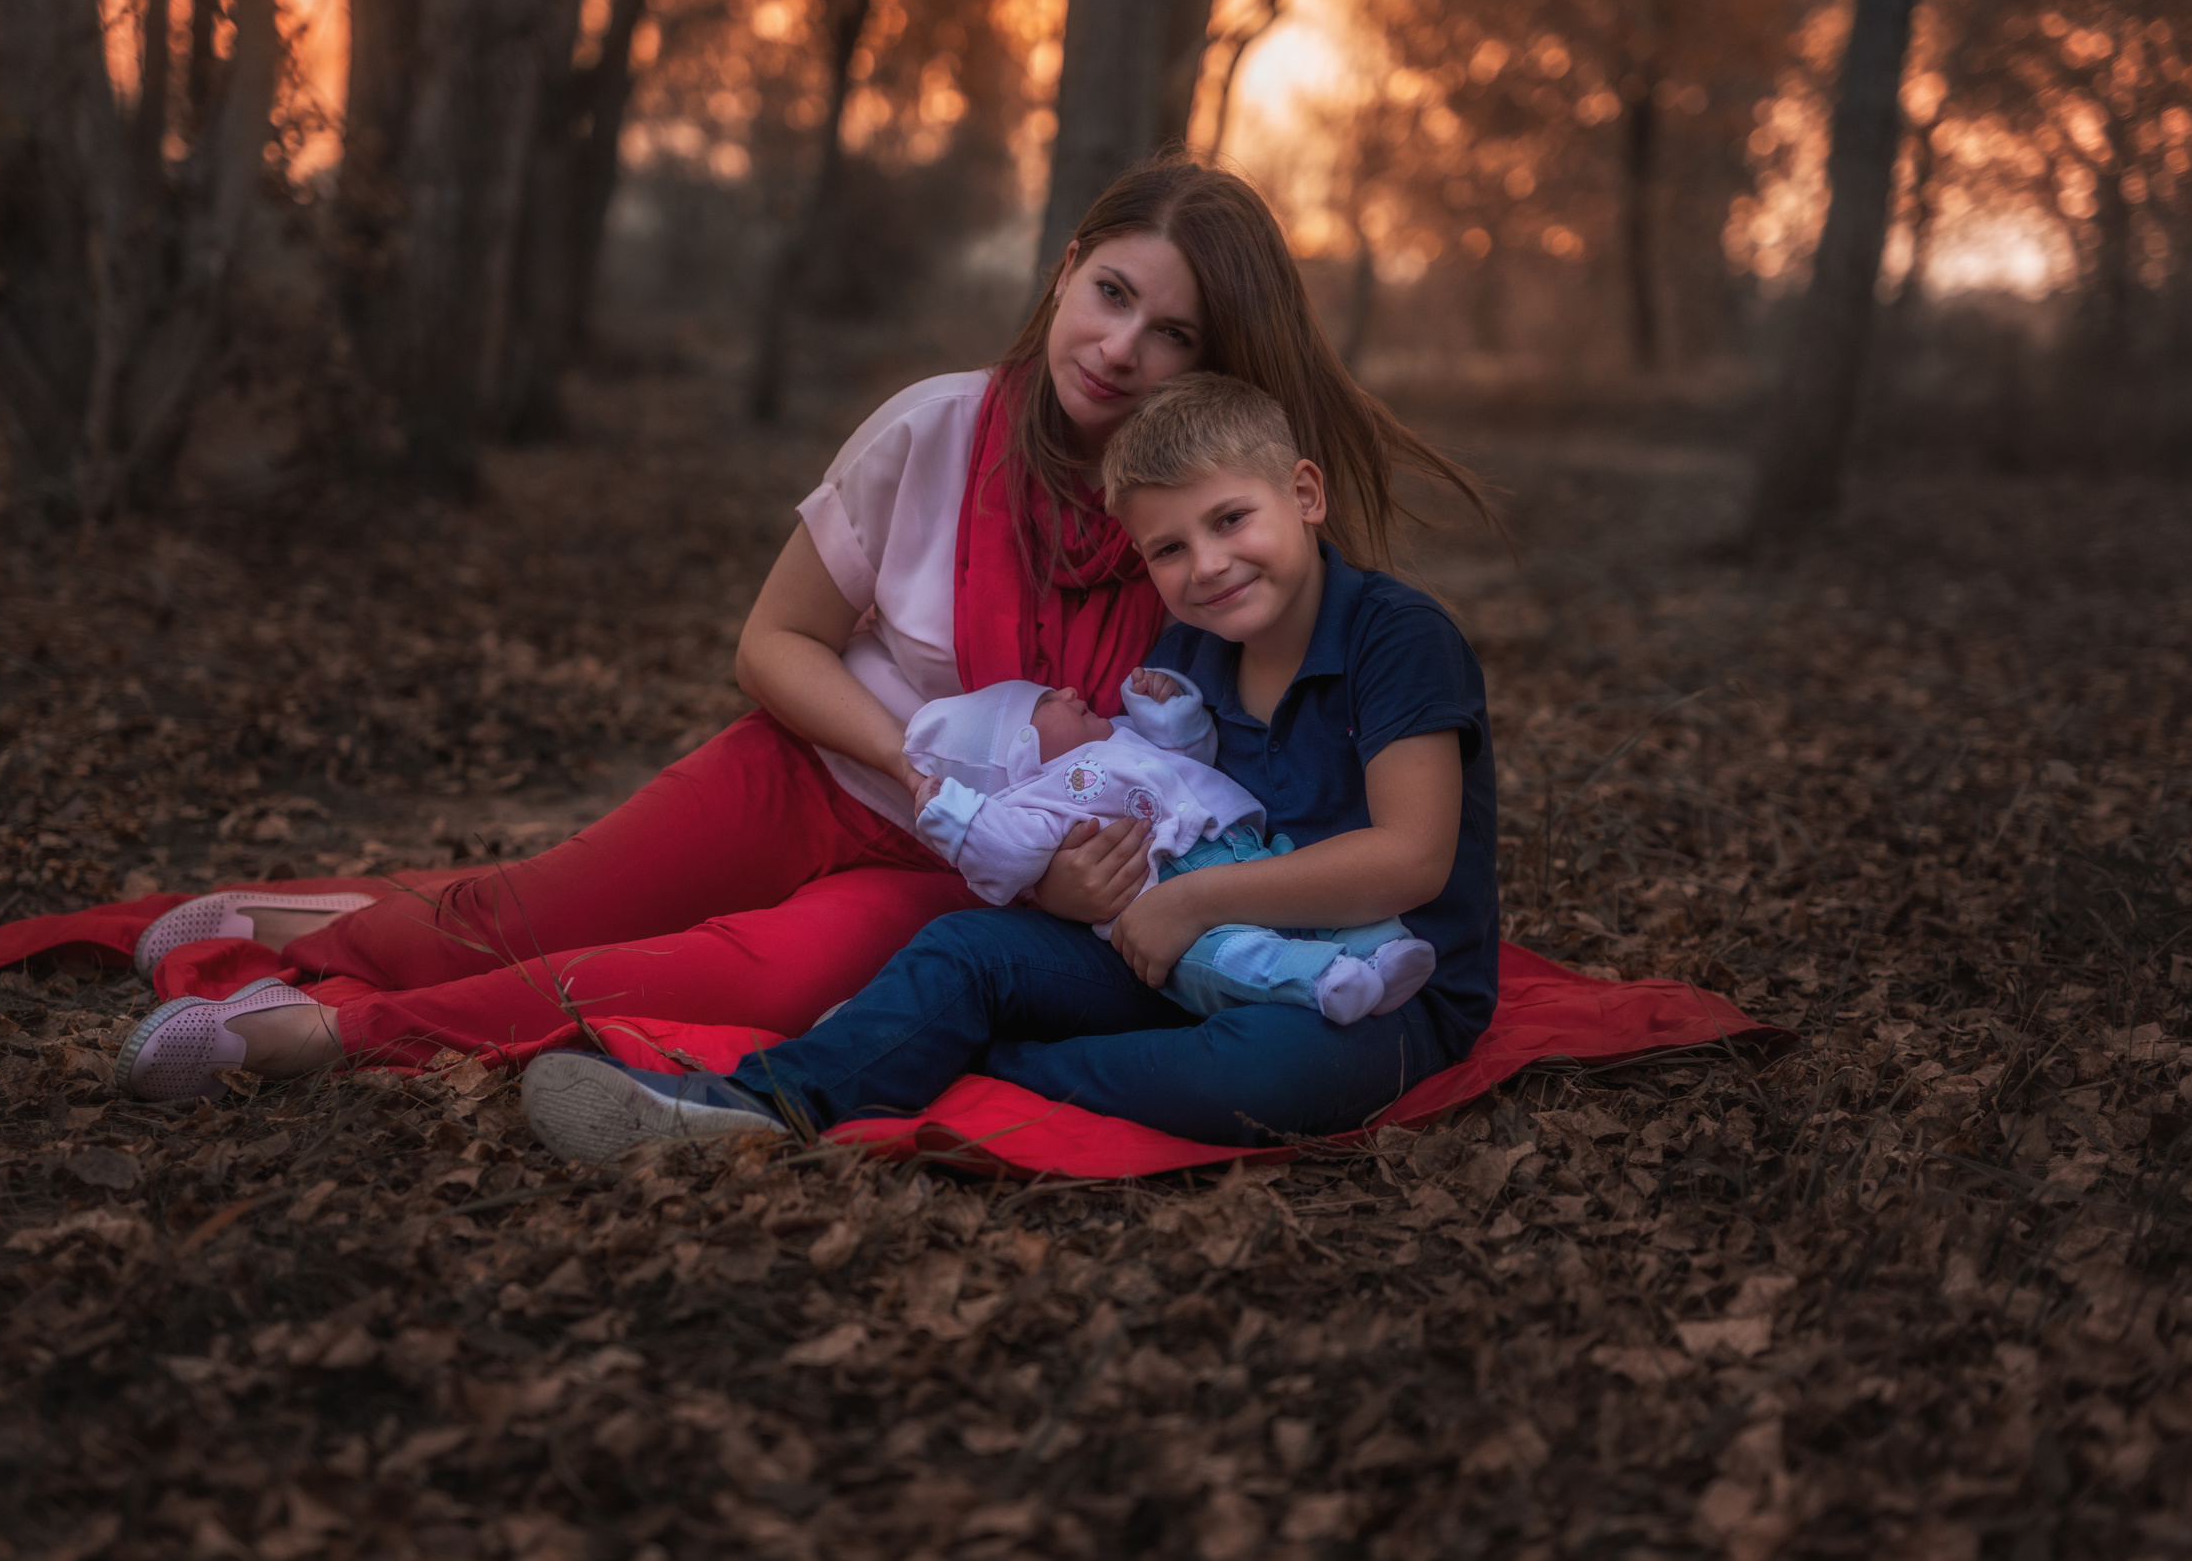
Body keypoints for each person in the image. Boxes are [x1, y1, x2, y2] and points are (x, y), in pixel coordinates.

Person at [111, 158, 1493, 1104]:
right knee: (518, 913)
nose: (1123, 349)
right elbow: (773, 643)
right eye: (1112, 294)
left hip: (965, 877)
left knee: (695, 980)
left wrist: (1099, 885)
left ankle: (317, 1030)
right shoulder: (935, 427)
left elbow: (1227, 778)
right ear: (1067, 272)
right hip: (822, 769)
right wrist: (921, 770)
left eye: (1176, 335)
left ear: (1222, 368)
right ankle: (309, 920)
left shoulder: (1208, 543)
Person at [519, 371, 1499, 1159]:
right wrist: (1079, 881)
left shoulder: (1394, 636)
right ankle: (752, 1105)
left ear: (1304, 492)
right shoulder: (1191, 655)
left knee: (1271, 1066)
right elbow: (1127, 793)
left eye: (1231, 519)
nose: (1206, 564)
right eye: (1168, 547)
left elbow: (1411, 857)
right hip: (1177, 951)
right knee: (965, 948)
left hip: (1372, 974)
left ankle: (988, 1064)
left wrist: (1190, 905)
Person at [904, 667, 1433, 1023]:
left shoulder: (1120, 734)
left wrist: (1166, 708)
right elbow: (1008, 855)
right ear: (1020, 751)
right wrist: (956, 818)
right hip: (1167, 898)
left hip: (1240, 848)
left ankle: (1383, 950)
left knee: (1310, 893)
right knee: (1221, 956)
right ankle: (1318, 979)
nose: (1066, 692)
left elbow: (1193, 751)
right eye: (1045, 702)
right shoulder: (1036, 801)